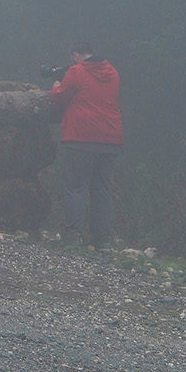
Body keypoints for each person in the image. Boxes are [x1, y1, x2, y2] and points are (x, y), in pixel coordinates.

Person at [50, 43, 122, 247]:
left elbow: (59, 97)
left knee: (76, 186)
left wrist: (56, 80)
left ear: (76, 54)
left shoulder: (76, 71)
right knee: (101, 188)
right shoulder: (113, 72)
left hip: (81, 135)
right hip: (111, 136)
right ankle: (103, 241)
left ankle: (73, 236)